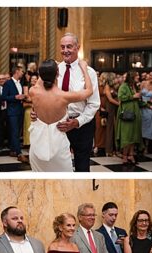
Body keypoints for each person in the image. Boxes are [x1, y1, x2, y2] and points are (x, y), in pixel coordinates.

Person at [55, 33, 100, 172]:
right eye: (62, 47)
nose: (65, 50)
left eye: (69, 46)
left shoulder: (89, 72)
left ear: (77, 47)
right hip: (59, 124)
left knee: (82, 166)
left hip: (82, 125)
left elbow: (93, 104)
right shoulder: (56, 70)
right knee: (59, 165)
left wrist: (78, 121)